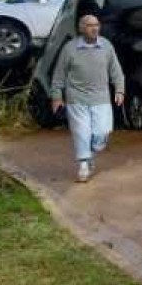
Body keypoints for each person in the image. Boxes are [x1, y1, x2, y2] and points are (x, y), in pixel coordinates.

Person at [48, 13, 125, 183]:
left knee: (101, 133)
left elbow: (116, 71)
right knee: (81, 132)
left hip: (101, 97)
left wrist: (119, 90)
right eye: (90, 25)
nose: (95, 28)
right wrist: (56, 97)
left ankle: (90, 153)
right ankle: (83, 164)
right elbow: (59, 75)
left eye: (96, 24)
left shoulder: (106, 46)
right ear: (81, 28)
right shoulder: (70, 48)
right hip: (76, 98)